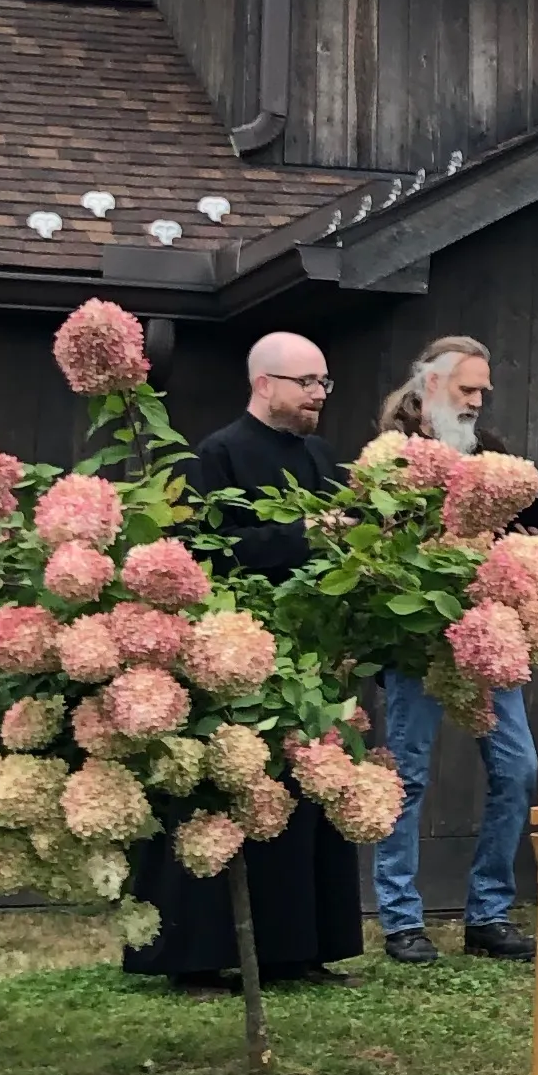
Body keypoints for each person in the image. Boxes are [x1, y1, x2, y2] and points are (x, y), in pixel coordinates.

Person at [123, 331, 363, 989]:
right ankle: (196, 956)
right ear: (265, 385)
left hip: (307, 651)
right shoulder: (217, 456)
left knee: (301, 796)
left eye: (323, 383)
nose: (318, 394)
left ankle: (296, 949)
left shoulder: (321, 456)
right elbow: (204, 550)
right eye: (306, 382)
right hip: (232, 652)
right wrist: (302, 534)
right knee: (229, 796)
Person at [369, 333, 538, 966]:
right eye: (468, 389)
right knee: (408, 774)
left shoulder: (490, 453)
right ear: (432, 385)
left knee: (518, 768)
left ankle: (488, 913)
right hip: (414, 638)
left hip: (487, 635)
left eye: (483, 391)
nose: (477, 401)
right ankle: (400, 919)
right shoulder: (392, 457)